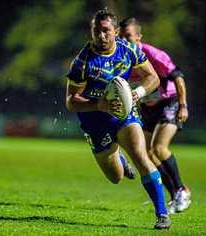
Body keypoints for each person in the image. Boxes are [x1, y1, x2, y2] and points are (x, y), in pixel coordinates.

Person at [66, 9, 171, 229]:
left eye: (106, 31)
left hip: (123, 115)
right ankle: (118, 155)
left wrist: (138, 93)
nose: (101, 36)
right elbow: (70, 101)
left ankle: (162, 214)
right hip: (94, 122)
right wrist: (98, 105)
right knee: (116, 177)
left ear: (115, 31)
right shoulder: (82, 62)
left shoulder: (129, 50)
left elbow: (152, 77)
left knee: (141, 156)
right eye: (97, 31)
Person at [119, 17, 191, 214]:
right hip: (148, 108)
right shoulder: (121, 57)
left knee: (158, 148)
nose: (125, 41)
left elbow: (178, 77)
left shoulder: (153, 54)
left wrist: (183, 105)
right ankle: (177, 195)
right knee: (147, 154)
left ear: (139, 37)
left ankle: (182, 190)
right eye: (121, 37)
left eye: (129, 37)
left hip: (170, 103)